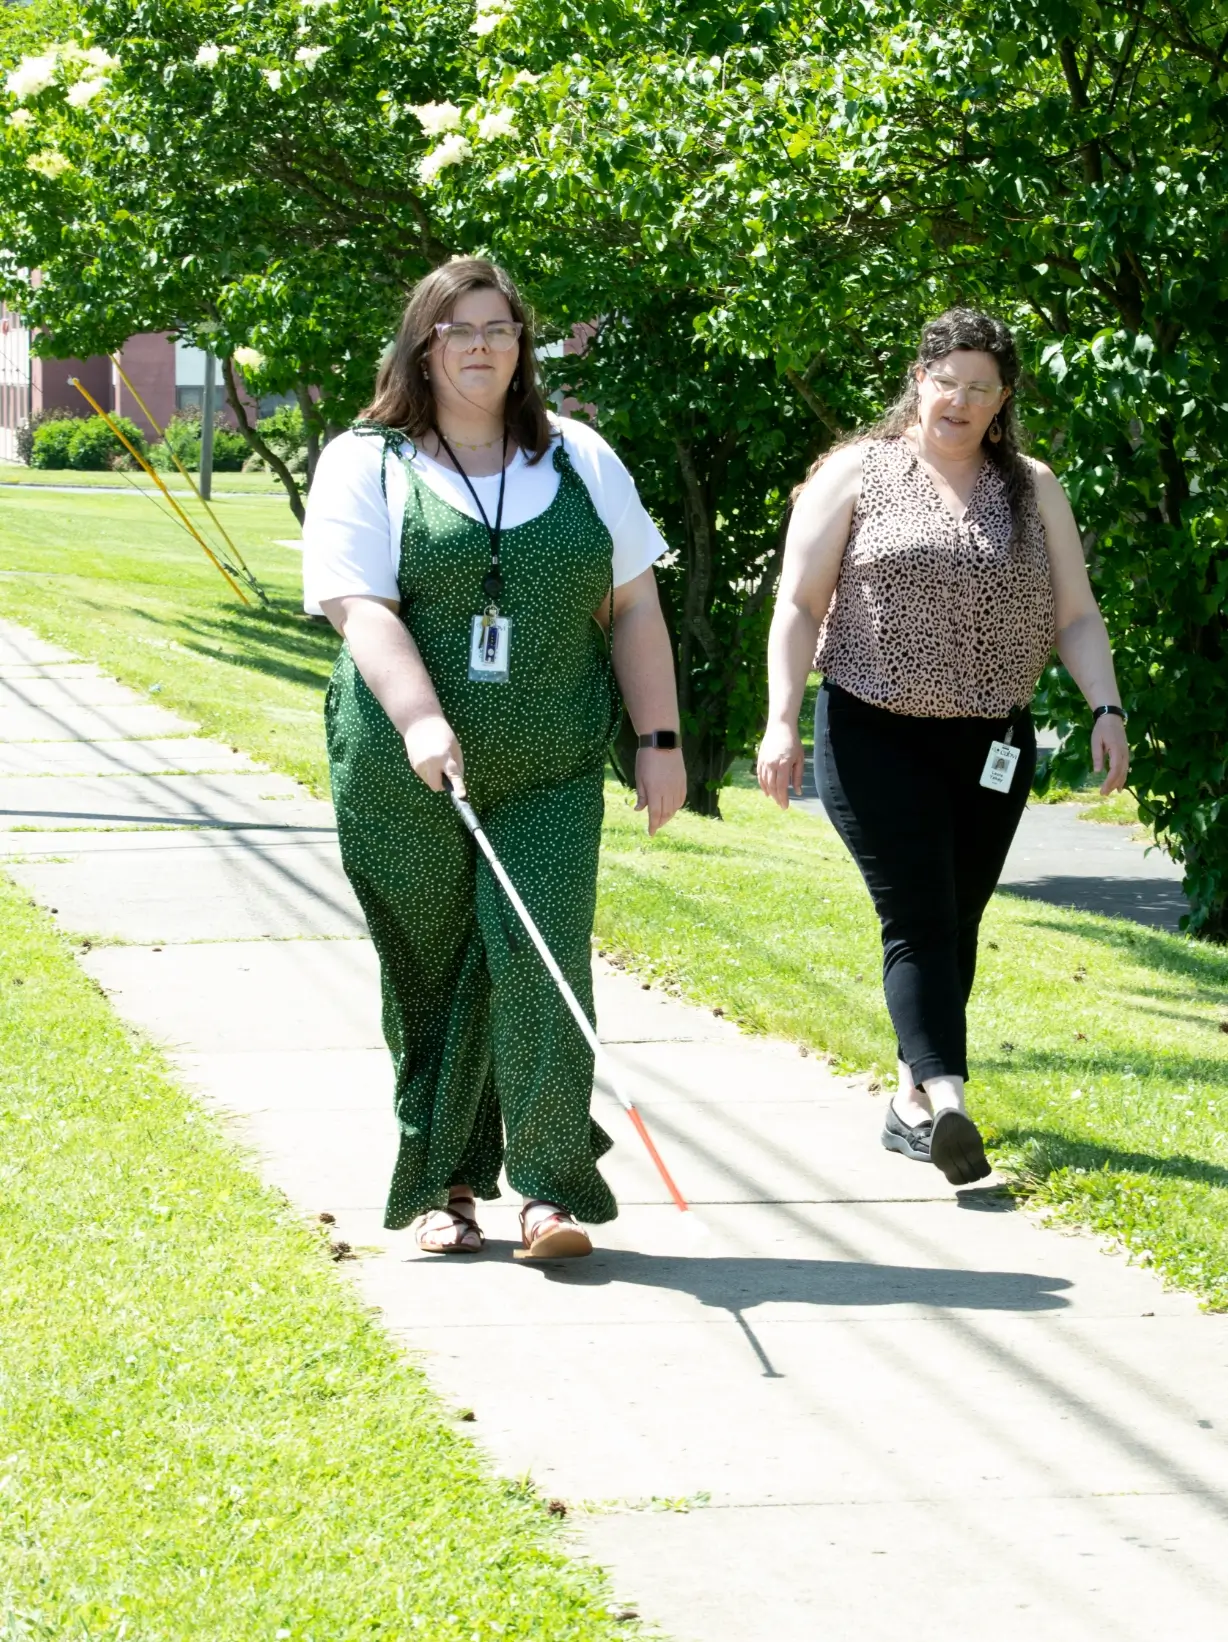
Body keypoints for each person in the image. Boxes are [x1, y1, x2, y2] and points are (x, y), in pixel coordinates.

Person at [303, 258, 686, 1258]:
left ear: (522, 346)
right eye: (459, 329)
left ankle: (551, 1189)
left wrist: (658, 739)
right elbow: (360, 609)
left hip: (553, 764)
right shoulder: (366, 461)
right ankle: (444, 1185)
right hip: (403, 768)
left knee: (539, 956)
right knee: (432, 973)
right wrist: (424, 718)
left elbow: (634, 603)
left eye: (501, 328)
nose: (482, 346)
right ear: (421, 347)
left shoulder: (579, 458)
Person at [757, 309, 1129, 1185]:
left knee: (956, 920)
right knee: (919, 915)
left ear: (1003, 401)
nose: (959, 401)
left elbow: (1074, 613)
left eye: (981, 388)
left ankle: (908, 1103)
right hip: (872, 725)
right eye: (946, 381)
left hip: (993, 736)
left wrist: (1106, 707)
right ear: (918, 380)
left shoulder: (1031, 487)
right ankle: (952, 1101)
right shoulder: (858, 473)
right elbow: (798, 605)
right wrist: (780, 722)